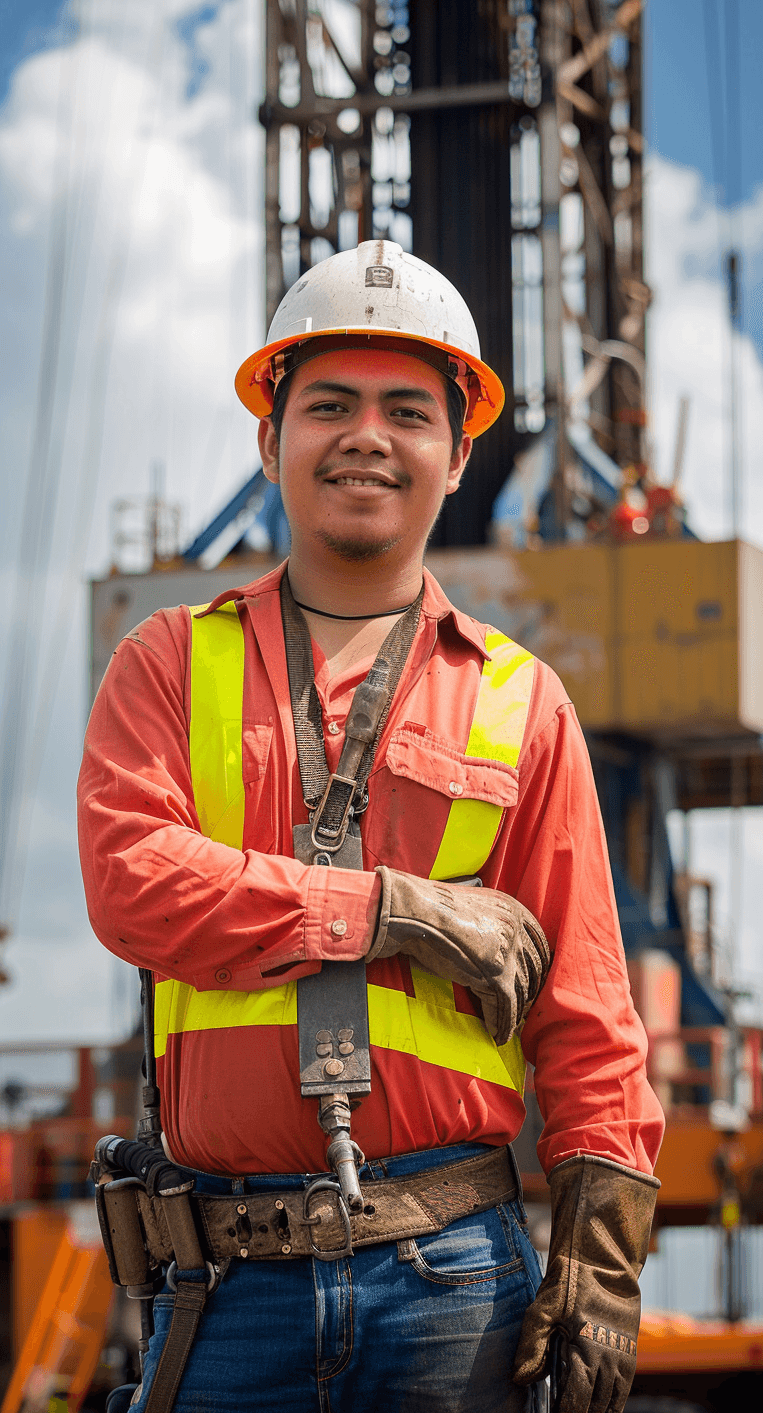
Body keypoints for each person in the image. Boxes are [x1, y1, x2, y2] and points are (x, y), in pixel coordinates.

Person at [78, 240, 664, 1413]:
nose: (367, 436)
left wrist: (601, 1269)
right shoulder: (169, 662)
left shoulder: (521, 702)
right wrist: (396, 911)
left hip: (454, 1276)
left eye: (408, 410)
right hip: (226, 1278)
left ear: (456, 455)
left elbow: (590, 1014)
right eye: (329, 405)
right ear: (270, 441)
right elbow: (135, 884)